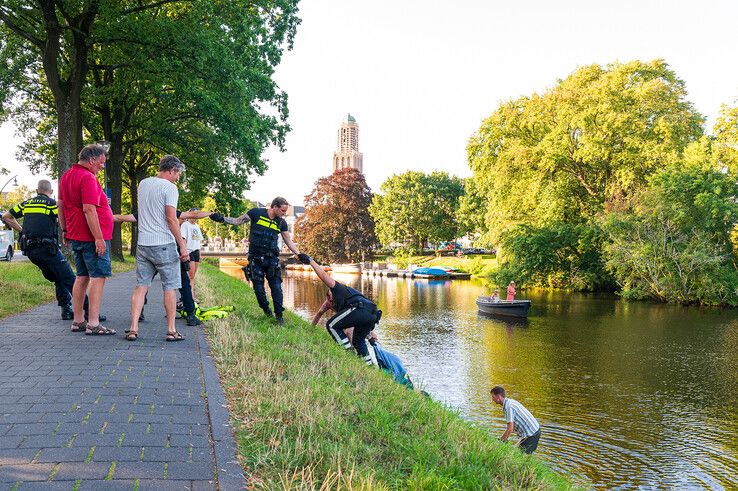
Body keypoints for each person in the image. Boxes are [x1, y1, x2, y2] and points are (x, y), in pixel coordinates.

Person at [1, 180, 103, 323]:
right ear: (51, 192)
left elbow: (6, 216)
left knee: (58, 276)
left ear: (37, 190)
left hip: (31, 251)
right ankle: (89, 311)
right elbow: (64, 218)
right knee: (69, 278)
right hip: (47, 249)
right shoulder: (50, 204)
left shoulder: (27, 204)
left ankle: (66, 310)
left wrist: (23, 231)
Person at [113, 209, 221, 327]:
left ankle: (138, 315)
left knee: (143, 285)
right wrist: (210, 214)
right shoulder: (168, 210)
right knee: (181, 284)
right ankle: (189, 315)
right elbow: (193, 214)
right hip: (168, 250)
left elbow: (122, 217)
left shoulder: (145, 212)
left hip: (148, 249)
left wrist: (103, 215)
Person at [125, 155, 190, 342]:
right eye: (178, 174)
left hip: (143, 244)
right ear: (171, 170)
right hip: (163, 244)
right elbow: (171, 218)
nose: (178, 178)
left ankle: (133, 328)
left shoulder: (143, 183)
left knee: (141, 286)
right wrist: (182, 246)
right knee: (170, 287)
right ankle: (171, 330)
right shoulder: (170, 188)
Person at [58, 143, 114, 335]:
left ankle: (78, 320)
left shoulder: (66, 176)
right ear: (91, 160)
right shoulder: (87, 177)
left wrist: (65, 230)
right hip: (91, 237)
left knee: (82, 276)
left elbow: (61, 205)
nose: (102, 166)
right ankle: (93, 322)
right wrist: (99, 238)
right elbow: (89, 209)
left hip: (77, 235)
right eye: (101, 162)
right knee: (98, 277)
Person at [219, 197, 303, 325]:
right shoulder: (256, 213)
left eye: (285, 211)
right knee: (259, 290)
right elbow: (237, 221)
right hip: (256, 260)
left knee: (276, 289)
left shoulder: (281, 223)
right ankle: (266, 310)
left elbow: (288, 241)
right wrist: (221, 218)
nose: (284, 213)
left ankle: (279, 317)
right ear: (274, 207)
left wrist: (299, 254)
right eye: (282, 210)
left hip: (272, 261)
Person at [302, 253, 381, 366]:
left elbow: (323, 276)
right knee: (358, 341)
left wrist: (310, 261)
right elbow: (362, 315)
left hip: (361, 310)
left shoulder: (338, 288)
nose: (331, 300)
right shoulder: (333, 301)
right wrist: (310, 329)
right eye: (329, 298)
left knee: (330, 325)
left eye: (331, 296)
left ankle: (348, 354)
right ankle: (369, 365)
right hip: (372, 313)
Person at [490, 386, 541, 454]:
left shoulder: (509, 407)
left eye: (493, 397)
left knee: (522, 457)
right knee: (518, 454)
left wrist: (500, 441)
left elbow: (510, 429)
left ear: (498, 396)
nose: (492, 399)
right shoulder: (509, 402)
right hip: (531, 432)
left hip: (532, 433)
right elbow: (512, 427)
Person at [180, 209, 204, 301]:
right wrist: (185, 252)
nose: (196, 216)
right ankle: (191, 297)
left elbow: (198, 241)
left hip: (196, 252)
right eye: (195, 213)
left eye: (197, 214)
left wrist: (200, 254)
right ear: (190, 214)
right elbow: (183, 239)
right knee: (190, 276)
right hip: (189, 252)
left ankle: (192, 295)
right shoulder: (185, 225)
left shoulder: (197, 226)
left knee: (193, 276)